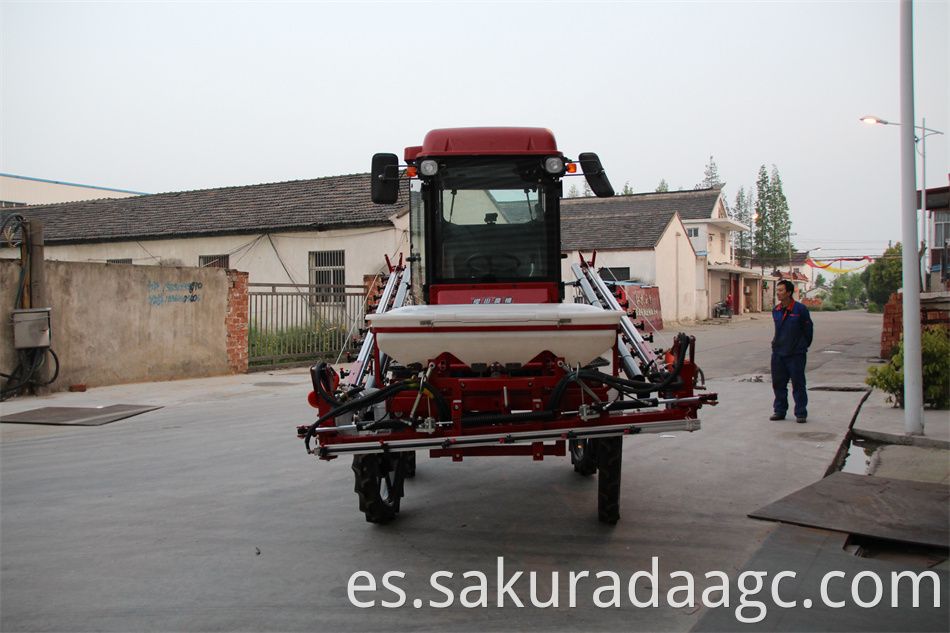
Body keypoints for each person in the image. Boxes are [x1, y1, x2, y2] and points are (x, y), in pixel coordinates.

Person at [770, 280, 813, 423]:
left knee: (798, 384)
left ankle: (801, 412)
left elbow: (808, 331)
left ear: (789, 292)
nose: (778, 293)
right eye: (777, 290)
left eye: (781, 290)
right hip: (778, 353)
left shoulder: (800, 309)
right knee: (778, 384)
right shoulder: (776, 310)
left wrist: (801, 346)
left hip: (795, 354)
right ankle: (779, 411)